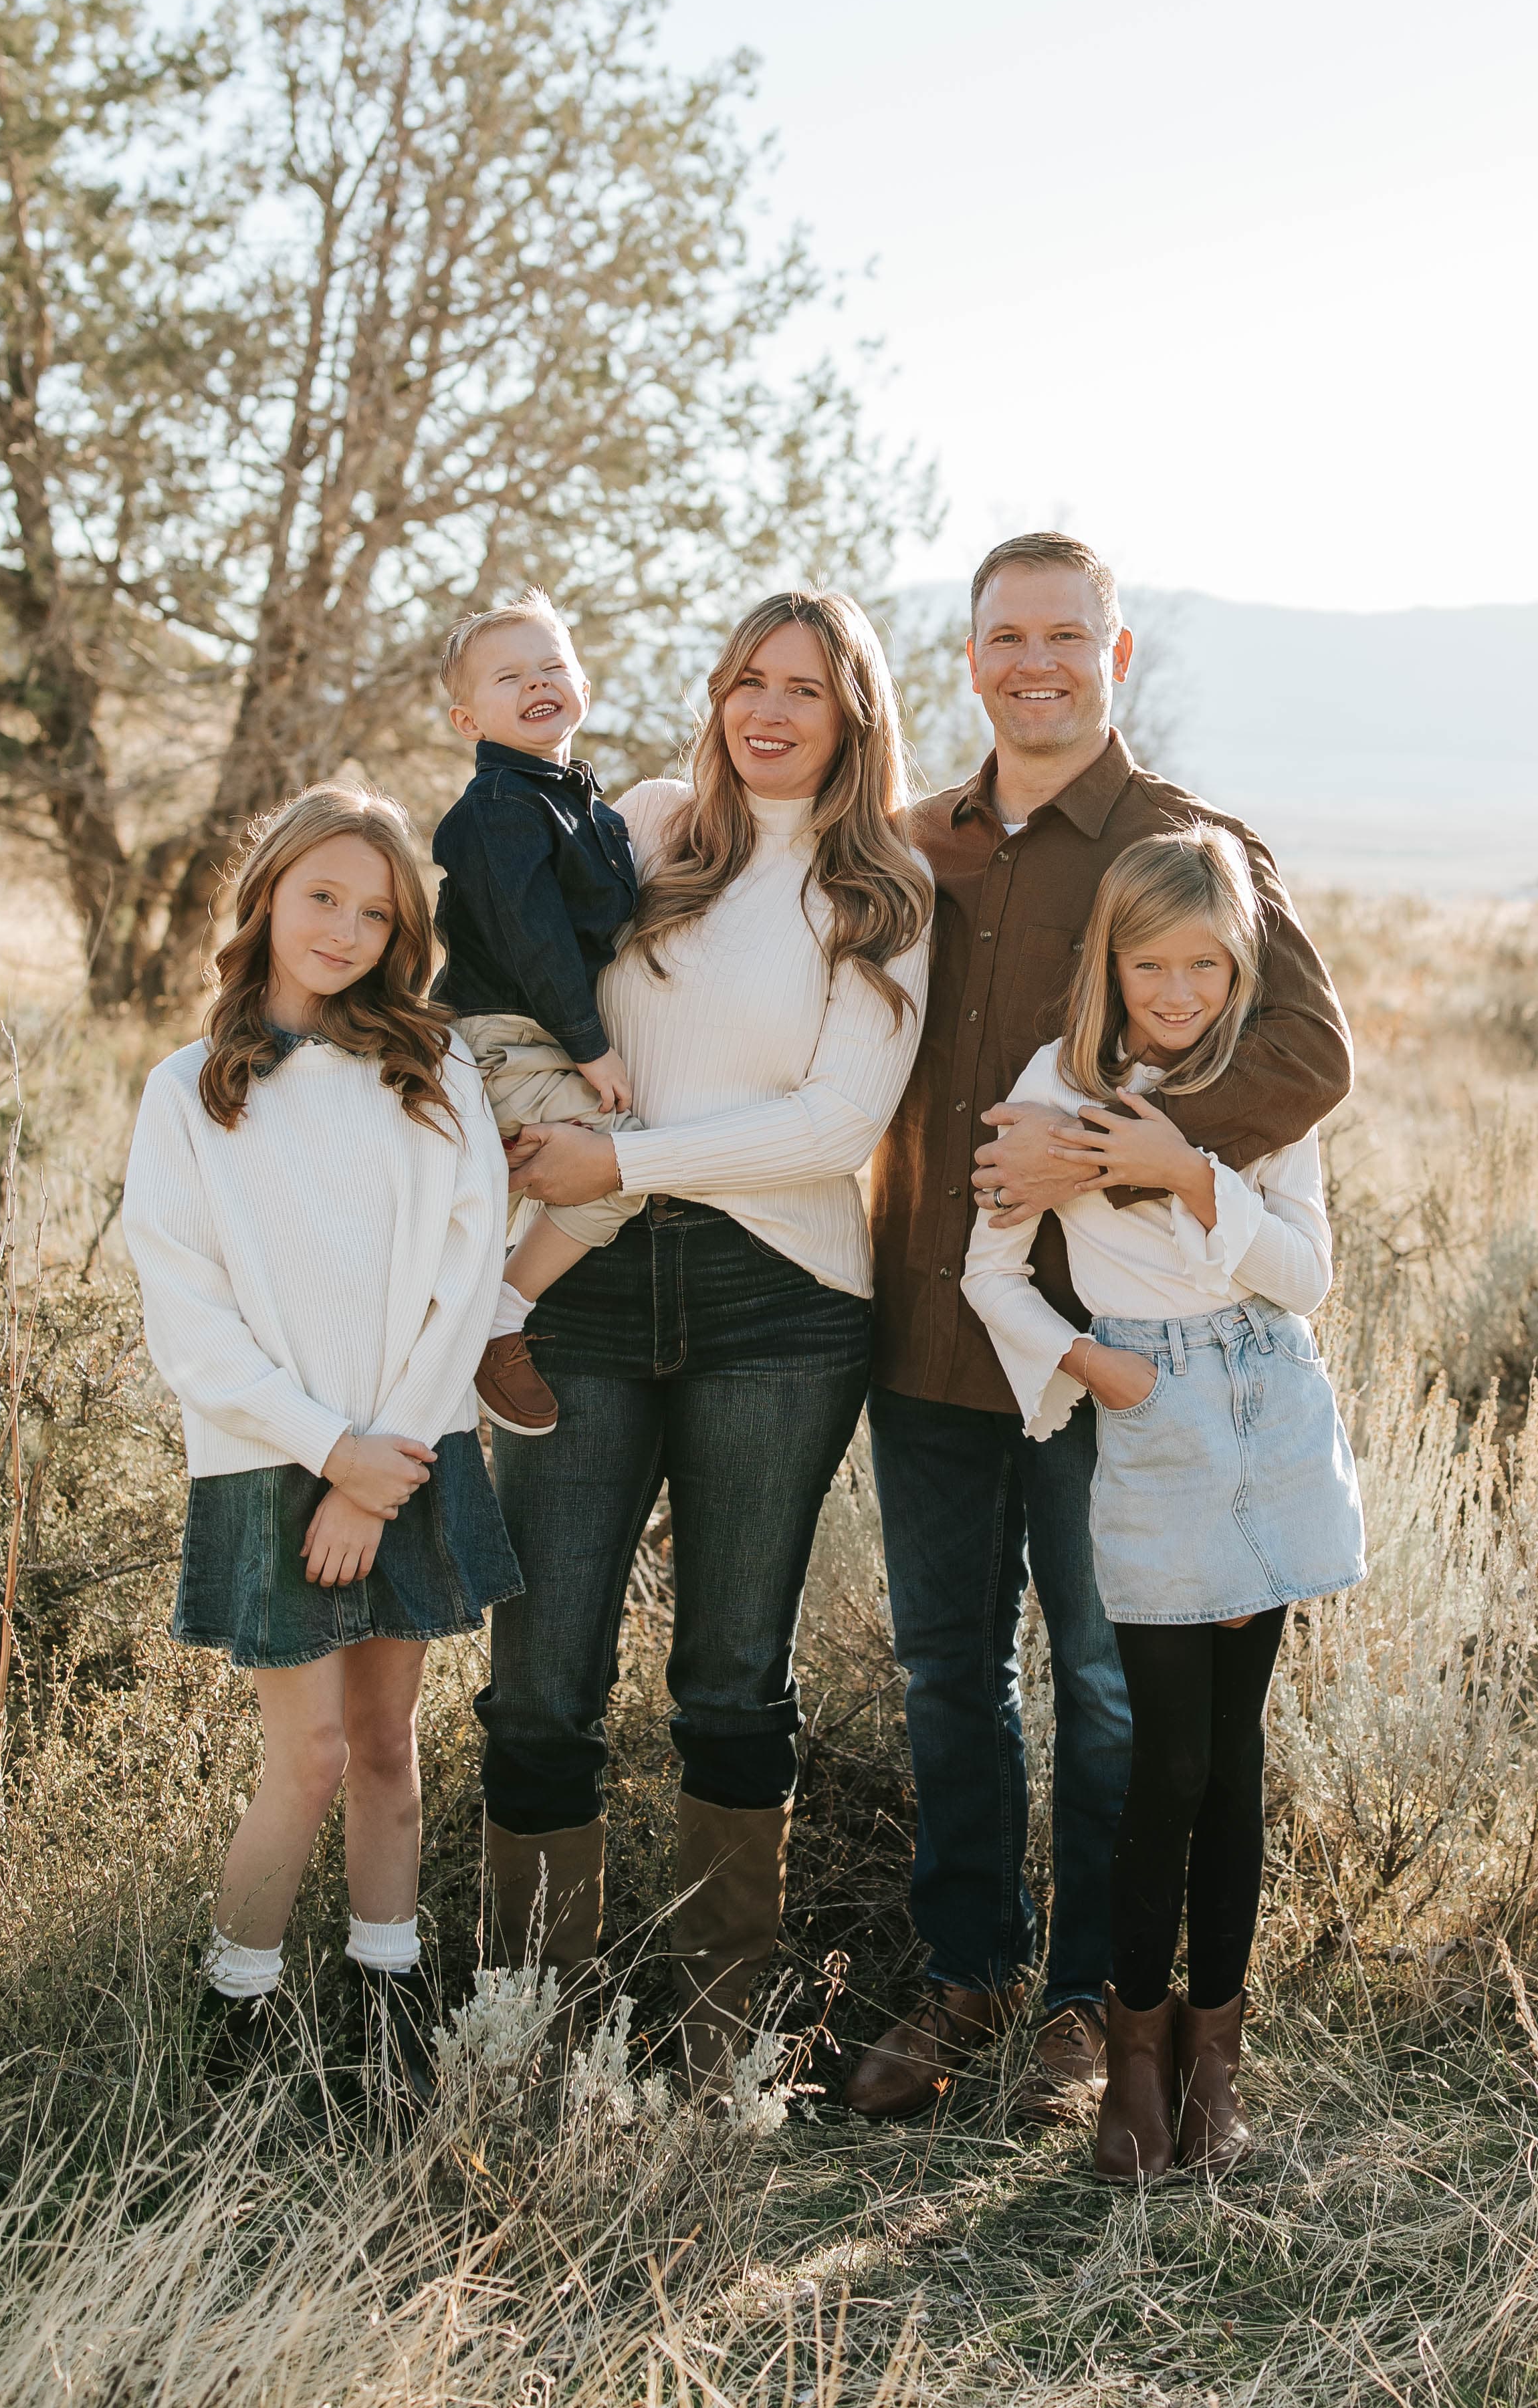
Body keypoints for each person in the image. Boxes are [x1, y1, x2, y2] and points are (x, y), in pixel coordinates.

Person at [853, 532, 1352, 2125]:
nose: (1035, 661)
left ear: (1114, 656)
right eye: (1006, 635)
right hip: (932, 1327)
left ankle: (1090, 2011)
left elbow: (1310, 1059)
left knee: (1103, 1681)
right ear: (973, 655)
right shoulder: (915, 842)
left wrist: (1124, 1144)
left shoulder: (1182, 840)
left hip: (1116, 1352)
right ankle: (965, 1977)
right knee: (946, 1674)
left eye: (1068, 633)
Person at [479, 588, 933, 2093]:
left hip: (776, 1302)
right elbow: (513, 953)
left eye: (807, 686)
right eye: (749, 678)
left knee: (730, 1678)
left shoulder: (884, 893)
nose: (772, 709)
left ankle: (715, 2039)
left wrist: (629, 1164)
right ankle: (532, 2032)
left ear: (854, 714)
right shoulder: (653, 826)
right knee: (543, 1674)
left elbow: (835, 1126)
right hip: (583, 1298)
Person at [962, 826, 1364, 2179]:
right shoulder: (1058, 1084)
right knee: (1164, 1762)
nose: (1178, 989)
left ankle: (1214, 2070)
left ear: (1241, 962)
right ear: (1111, 961)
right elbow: (990, 1274)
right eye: (1152, 963)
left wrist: (1199, 1176)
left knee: (1235, 1764)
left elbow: (1305, 1275)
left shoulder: (1254, 1090)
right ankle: (1132, 2066)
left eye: (1206, 961)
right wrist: (1091, 1367)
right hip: (1152, 1419)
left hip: (1268, 1406)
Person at [122, 785, 517, 2084]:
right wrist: (325, 1453)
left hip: (408, 1454)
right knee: (305, 1754)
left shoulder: (431, 1070)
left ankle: (389, 2013)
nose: (344, 928)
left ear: (404, 929)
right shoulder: (192, 1093)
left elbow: (465, 1280)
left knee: (391, 1748)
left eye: (374, 909)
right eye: (321, 897)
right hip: (268, 1463)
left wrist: (383, 1460)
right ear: (268, 898)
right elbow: (190, 1323)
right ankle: (234, 2025)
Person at [430, 588, 645, 1441]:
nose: (536, 684)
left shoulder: (580, 801)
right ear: (465, 717)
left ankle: (474, 1307)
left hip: (535, 1034)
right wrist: (592, 1049)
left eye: (552, 665)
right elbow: (535, 941)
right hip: (501, 1032)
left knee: (564, 1173)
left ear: (583, 681)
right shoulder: (499, 811)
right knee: (620, 1164)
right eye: (508, 676)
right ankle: (493, 1319)